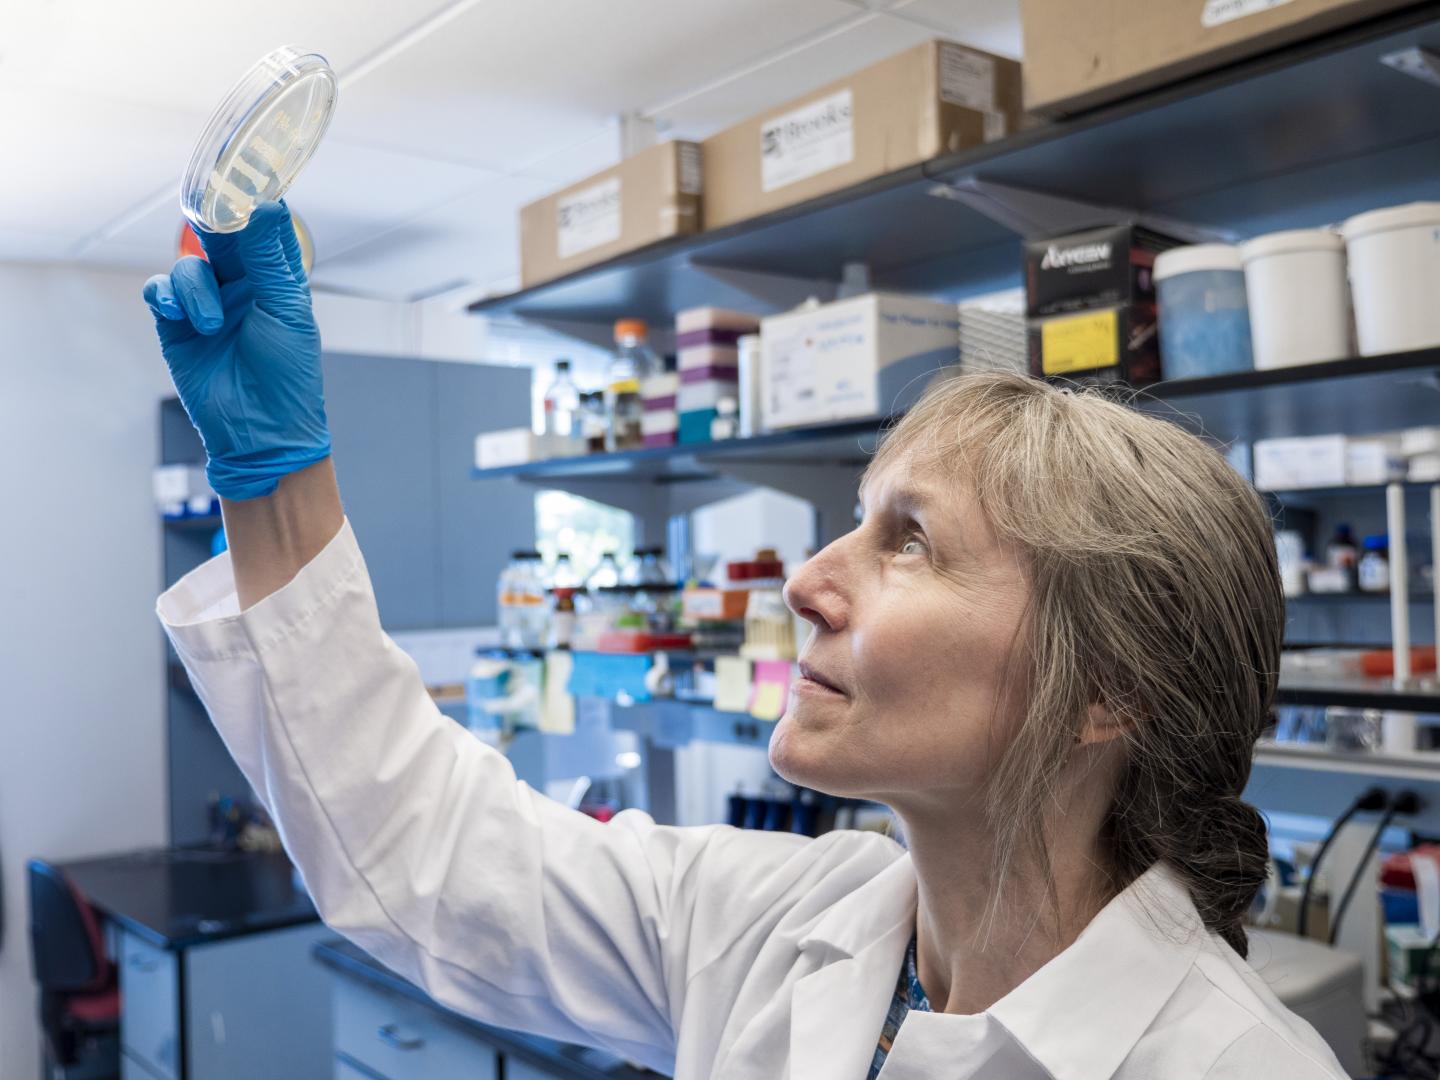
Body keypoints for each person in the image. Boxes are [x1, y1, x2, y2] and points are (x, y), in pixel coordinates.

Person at [143, 204, 1348, 1079]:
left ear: (1110, 689)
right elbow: (434, 858)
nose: (809, 579)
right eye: (854, 521)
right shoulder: (780, 921)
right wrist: (276, 478)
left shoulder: (1237, 1065)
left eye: (910, 540)